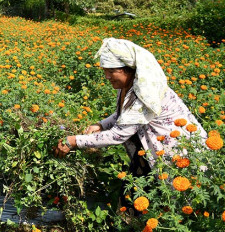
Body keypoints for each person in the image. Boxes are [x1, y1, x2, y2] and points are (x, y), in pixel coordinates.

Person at [53, 38, 207, 207]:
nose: (107, 76)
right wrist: (102, 124)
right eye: (105, 71)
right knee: (135, 200)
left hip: (175, 155)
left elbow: (118, 135)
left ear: (128, 70)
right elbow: (124, 115)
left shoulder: (143, 93)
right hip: (147, 154)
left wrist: (74, 141)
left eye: (111, 71)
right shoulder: (129, 87)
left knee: (176, 204)